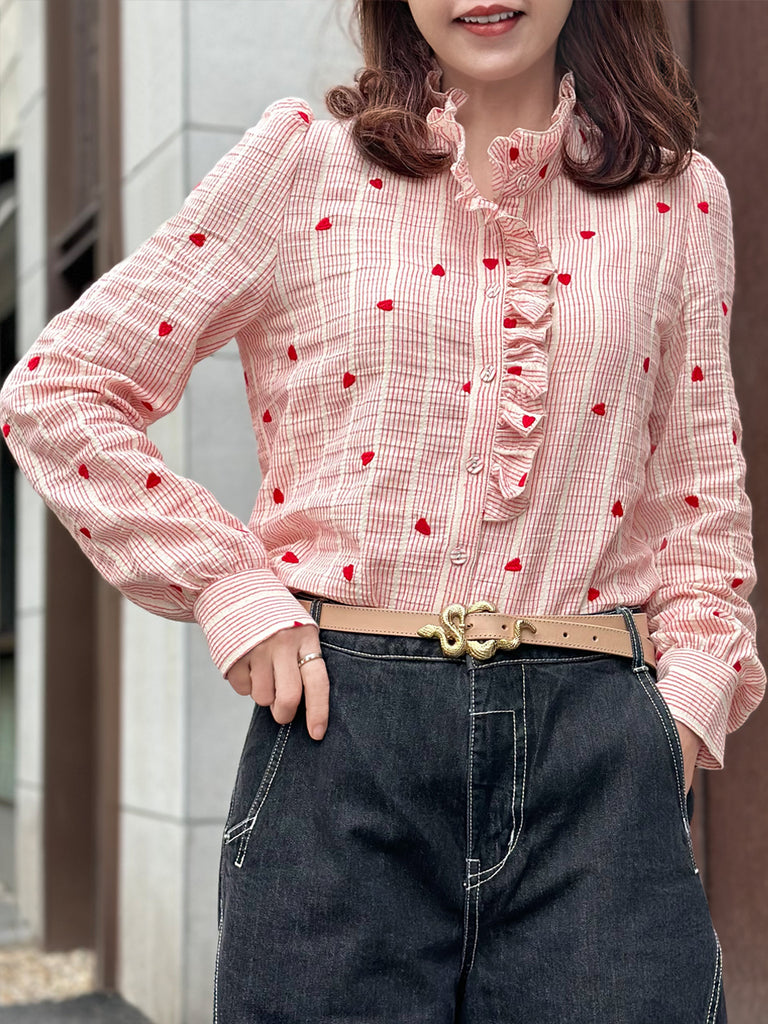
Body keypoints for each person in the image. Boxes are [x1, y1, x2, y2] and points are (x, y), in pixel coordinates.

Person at [0, 0, 764, 1020]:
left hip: (599, 756)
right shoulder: (304, 166)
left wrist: (685, 711)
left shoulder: (680, 200)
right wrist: (234, 586)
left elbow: (699, 496)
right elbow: (60, 387)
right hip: (341, 743)